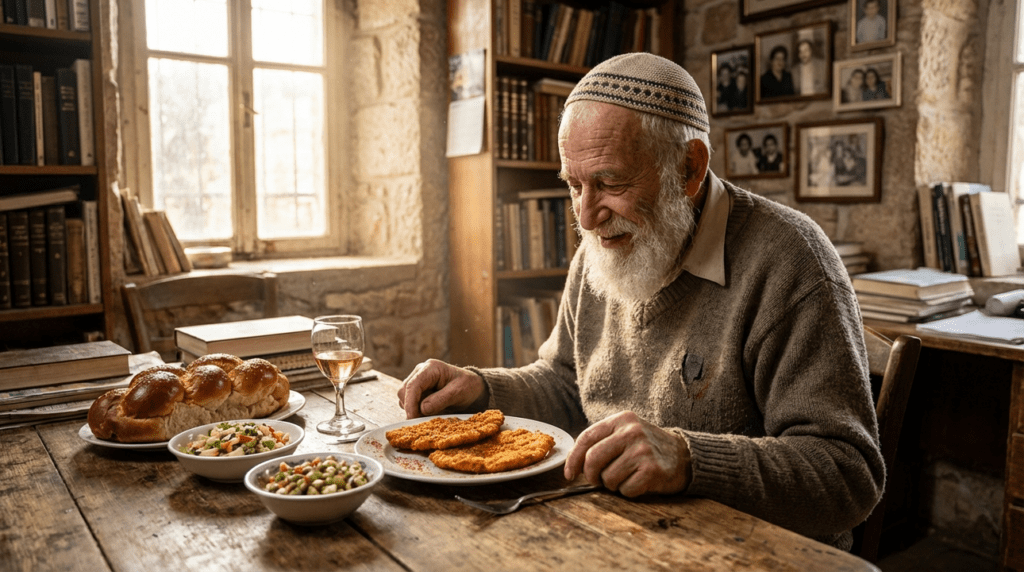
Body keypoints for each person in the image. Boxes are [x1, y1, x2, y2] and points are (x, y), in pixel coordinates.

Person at [398, 52, 884, 551]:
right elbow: (568, 384)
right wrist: (481, 391)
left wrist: (689, 458)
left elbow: (848, 476)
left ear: (689, 168)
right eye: (573, 185)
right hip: (622, 531)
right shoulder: (603, 246)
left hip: (755, 553)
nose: (585, 218)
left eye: (609, 182)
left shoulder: (790, 261)